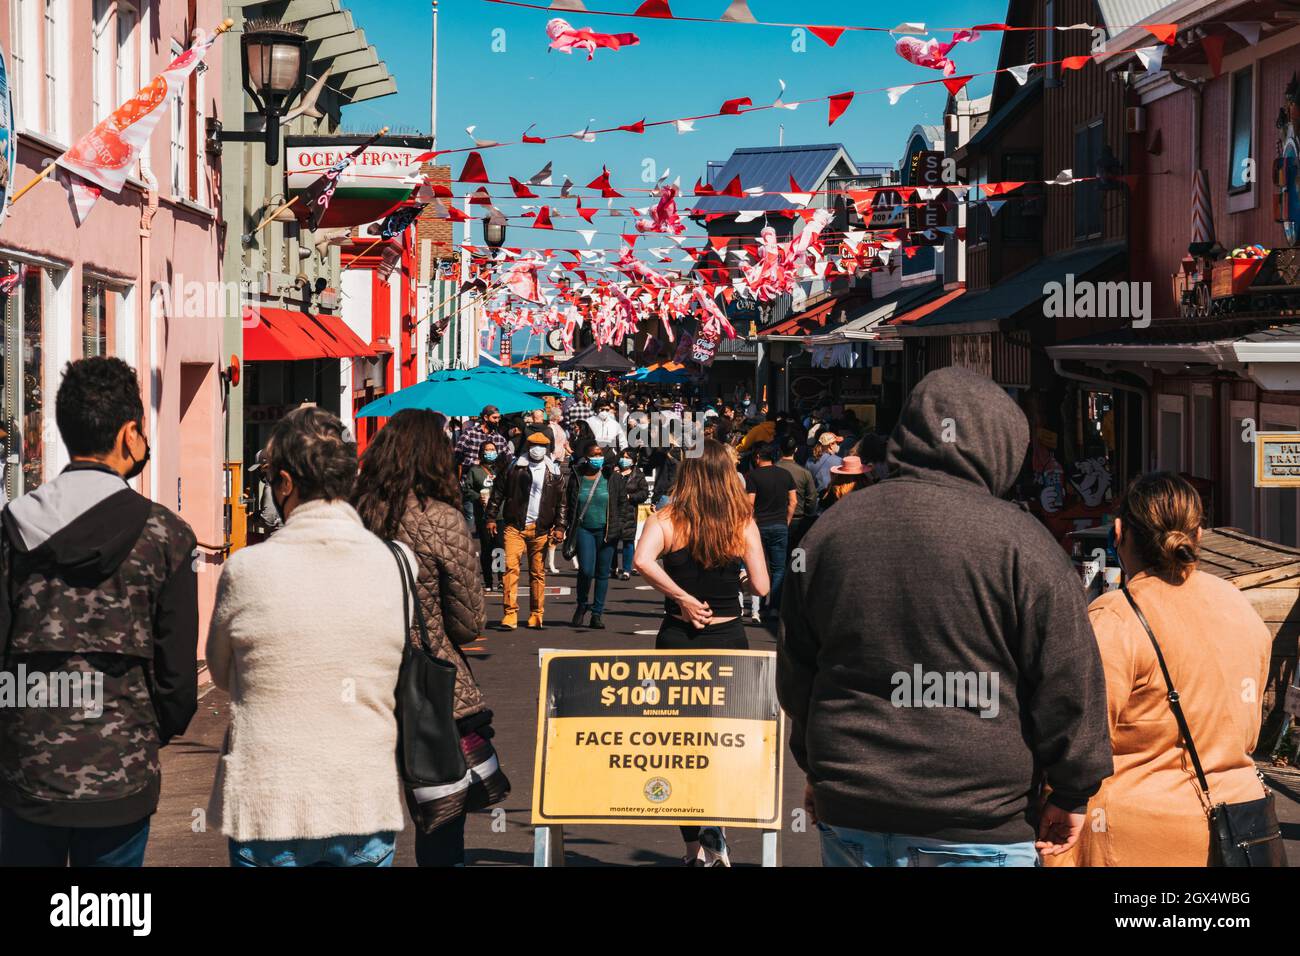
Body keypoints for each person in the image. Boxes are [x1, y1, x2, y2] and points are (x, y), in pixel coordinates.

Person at [778, 367, 1113, 868]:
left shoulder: (830, 534)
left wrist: (815, 767)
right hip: (978, 820)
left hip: (853, 805)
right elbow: (1068, 681)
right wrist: (1072, 792)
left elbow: (799, 673)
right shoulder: (1022, 545)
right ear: (1002, 446)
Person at [0, 357, 197, 867]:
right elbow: (177, 678)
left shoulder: (14, 529)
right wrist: (151, 732)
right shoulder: (167, 537)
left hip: (26, 773)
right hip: (122, 774)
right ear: (130, 434)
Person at [207, 407, 406, 867]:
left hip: (269, 800)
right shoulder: (390, 566)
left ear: (285, 484)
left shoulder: (246, 571)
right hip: (360, 797)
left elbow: (221, 672)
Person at [1048, 473, 1272, 867]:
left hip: (1136, 836)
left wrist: (1057, 799)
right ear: (1198, 535)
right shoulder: (1239, 606)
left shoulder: (1115, 618)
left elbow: (1080, 738)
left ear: (1118, 533)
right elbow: (1247, 723)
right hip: (1237, 828)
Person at [352, 409, 508, 868]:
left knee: (362, 808)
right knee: (440, 808)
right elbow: (468, 622)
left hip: (359, 674)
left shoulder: (353, 512)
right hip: (430, 680)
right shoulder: (441, 518)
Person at [634, 439, 770, 866]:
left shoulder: (668, 518)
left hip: (677, 638)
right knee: (725, 742)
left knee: (679, 743)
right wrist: (738, 582)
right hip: (730, 639)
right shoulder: (741, 522)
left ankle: (693, 846)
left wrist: (682, 598)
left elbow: (641, 560)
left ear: (687, 475)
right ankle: (716, 824)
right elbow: (764, 586)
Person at [486, 432, 567, 630]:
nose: (536, 449)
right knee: (510, 569)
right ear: (527, 446)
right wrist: (490, 516)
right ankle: (510, 614)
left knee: (537, 572)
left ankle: (536, 614)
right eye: (533, 445)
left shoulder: (554, 471)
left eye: (541, 445)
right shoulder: (514, 467)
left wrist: (560, 526)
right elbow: (498, 492)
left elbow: (561, 503)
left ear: (547, 448)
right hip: (515, 526)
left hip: (540, 528)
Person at [566, 438, 628, 629]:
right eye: (594, 455)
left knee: (602, 573)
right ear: (586, 457)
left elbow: (622, 505)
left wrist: (620, 527)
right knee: (586, 570)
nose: (597, 458)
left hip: (607, 531)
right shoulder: (577, 476)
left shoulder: (613, 478)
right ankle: (582, 604)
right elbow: (569, 503)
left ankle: (597, 613)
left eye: (600, 455)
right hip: (584, 529)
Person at [745, 443, 796, 623]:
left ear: (758, 457)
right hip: (780, 525)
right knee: (779, 568)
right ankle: (773, 606)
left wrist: (749, 524)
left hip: (759, 526)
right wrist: (786, 521)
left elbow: (750, 503)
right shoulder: (785, 474)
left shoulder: (752, 476)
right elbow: (793, 501)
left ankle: (758, 608)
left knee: (758, 565)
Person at [463, 440, 502, 591]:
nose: (491, 452)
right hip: (483, 515)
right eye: (487, 449)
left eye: (493, 449)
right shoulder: (475, 470)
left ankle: (501, 578)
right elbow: (467, 490)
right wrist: (477, 496)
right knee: (486, 549)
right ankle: (488, 580)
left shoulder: (500, 469)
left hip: (500, 515)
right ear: (482, 452)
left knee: (500, 548)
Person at [613, 449, 650, 580]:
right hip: (614, 511)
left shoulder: (638, 475)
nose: (624, 459)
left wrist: (630, 497)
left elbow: (644, 493)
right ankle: (613, 568)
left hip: (629, 511)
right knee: (612, 541)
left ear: (633, 461)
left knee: (628, 541)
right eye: (623, 457)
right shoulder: (614, 472)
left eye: (628, 457)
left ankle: (627, 569)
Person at [776, 434, 818, 549]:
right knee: (797, 558)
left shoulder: (773, 470)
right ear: (796, 450)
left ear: (779, 449)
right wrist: (809, 514)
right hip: (798, 519)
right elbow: (812, 498)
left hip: (776, 518)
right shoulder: (804, 472)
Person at [453, 405, 506, 474]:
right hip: (469, 478)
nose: (497, 421)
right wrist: (477, 463)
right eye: (494, 418)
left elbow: (509, 458)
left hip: (491, 480)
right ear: (486, 417)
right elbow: (456, 455)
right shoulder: (470, 433)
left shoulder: (500, 439)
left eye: (499, 418)